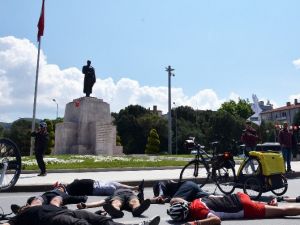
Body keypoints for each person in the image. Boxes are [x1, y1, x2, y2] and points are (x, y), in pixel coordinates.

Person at [4, 195, 160, 225]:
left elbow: (58, 200)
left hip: (66, 212)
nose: (28, 204)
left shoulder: (44, 205)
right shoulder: (19, 217)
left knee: (102, 220)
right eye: (26, 205)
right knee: (81, 224)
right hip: (54, 220)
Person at [168, 192, 300, 225]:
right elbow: (175, 200)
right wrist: (173, 205)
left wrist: (195, 223)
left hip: (244, 208)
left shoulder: (199, 212)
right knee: (269, 207)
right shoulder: (194, 202)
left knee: (283, 212)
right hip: (238, 197)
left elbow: (216, 220)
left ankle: (270, 206)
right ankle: (269, 204)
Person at [11, 183, 88, 215]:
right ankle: (21, 211)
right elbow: (31, 199)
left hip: (58, 199)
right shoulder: (48, 192)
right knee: (37, 201)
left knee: (55, 202)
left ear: (64, 189)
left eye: (61, 186)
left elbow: (84, 198)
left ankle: (52, 214)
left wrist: (82, 200)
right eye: (58, 186)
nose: (59, 187)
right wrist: (31, 201)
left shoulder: (65, 195)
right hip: (44, 197)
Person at [77, 188, 151, 218]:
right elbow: (100, 202)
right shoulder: (114, 194)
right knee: (116, 202)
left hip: (130, 196)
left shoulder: (133, 193)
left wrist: (158, 199)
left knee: (135, 201)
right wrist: (85, 205)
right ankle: (115, 211)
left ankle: (137, 210)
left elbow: (147, 200)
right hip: (118, 196)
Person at [57, 179, 144, 197]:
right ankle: (132, 194)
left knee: (115, 184)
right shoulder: (69, 190)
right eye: (60, 184)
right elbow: (67, 196)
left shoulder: (71, 184)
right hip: (95, 189)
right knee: (113, 189)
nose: (62, 183)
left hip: (97, 182)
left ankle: (136, 188)